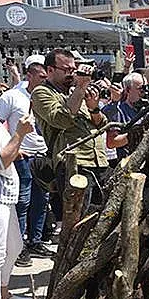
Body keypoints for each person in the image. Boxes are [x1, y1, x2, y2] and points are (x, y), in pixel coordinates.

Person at [0, 55, 54, 266]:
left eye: (47, 76)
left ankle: (35, 241)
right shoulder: (11, 97)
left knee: (42, 200)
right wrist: (13, 147)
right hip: (23, 156)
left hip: (42, 154)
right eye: (40, 76)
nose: (44, 79)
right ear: (29, 75)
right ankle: (19, 247)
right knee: (22, 202)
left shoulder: (48, 95)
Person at [31, 49, 108, 206]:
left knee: (105, 214)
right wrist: (80, 89)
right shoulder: (41, 92)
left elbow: (102, 124)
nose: (72, 73)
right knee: (78, 219)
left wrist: (94, 108)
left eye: (74, 69)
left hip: (99, 162)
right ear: (50, 70)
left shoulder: (76, 91)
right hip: (73, 165)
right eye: (67, 70)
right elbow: (61, 120)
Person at [0, 108, 34, 299]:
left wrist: (16, 147)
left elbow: (4, 152)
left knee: (14, 246)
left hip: (4, 194)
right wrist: (20, 133)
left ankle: (4, 293)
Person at [103, 73, 143, 165]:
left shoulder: (144, 109)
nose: (143, 92)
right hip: (126, 163)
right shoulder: (117, 110)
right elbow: (112, 142)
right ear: (128, 90)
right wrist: (136, 133)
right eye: (139, 89)